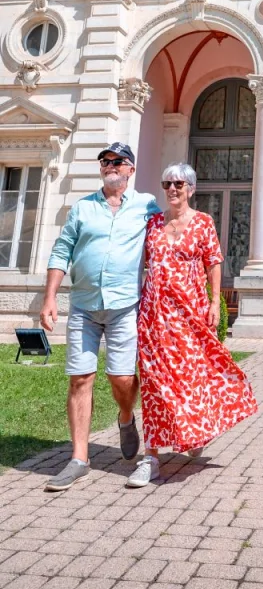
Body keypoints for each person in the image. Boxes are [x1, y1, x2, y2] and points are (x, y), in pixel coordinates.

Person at [127, 162, 257, 488]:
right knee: (155, 386)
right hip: (154, 317)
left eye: (179, 184)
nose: (173, 189)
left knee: (190, 380)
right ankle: (151, 457)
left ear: (191, 188)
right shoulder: (153, 224)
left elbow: (213, 262)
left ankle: (197, 429)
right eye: (168, 183)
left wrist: (215, 302)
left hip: (190, 316)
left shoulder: (202, 223)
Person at [40, 143, 161, 491]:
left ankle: (125, 416)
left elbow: (162, 246)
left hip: (125, 306)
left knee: (122, 379)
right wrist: (50, 298)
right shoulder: (83, 208)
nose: (110, 165)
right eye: (105, 161)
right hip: (83, 304)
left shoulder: (146, 206)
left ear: (131, 169)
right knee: (80, 378)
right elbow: (62, 249)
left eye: (117, 161)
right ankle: (79, 458)